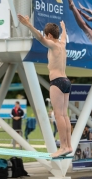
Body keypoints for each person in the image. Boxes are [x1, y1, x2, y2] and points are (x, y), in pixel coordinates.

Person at [18, 15, 72, 158]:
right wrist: (64, 28)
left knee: (58, 115)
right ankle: (69, 145)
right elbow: (64, 36)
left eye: (46, 35)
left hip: (57, 82)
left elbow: (40, 39)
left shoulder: (53, 45)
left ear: (49, 35)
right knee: (65, 114)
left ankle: (63, 147)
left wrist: (28, 24)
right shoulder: (62, 44)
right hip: (66, 81)